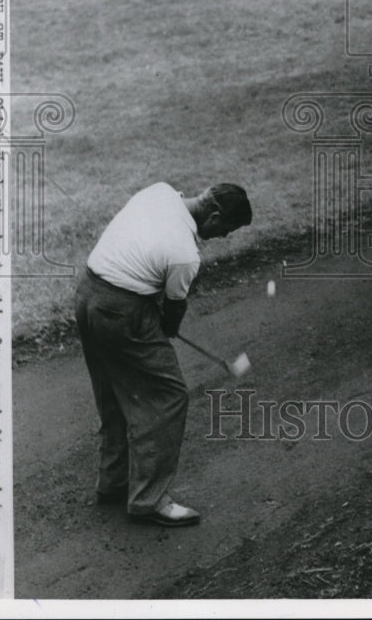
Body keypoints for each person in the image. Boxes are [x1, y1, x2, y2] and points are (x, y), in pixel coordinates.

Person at [75, 181, 252, 526]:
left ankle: (115, 482)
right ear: (214, 215)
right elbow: (173, 311)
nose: (224, 236)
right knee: (167, 397)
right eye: (226, 229)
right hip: (121, 310)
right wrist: (165, 326)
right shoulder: (186, 254)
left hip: (87, 296)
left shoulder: (158, 191)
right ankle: (149, 500)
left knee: (115, 390)